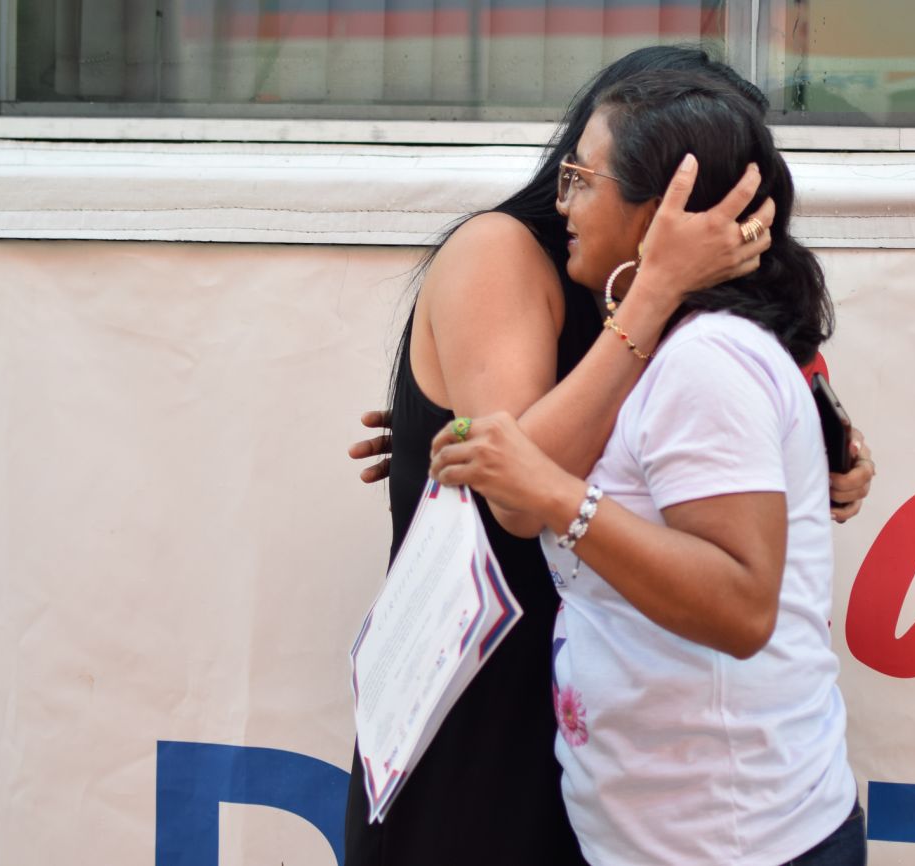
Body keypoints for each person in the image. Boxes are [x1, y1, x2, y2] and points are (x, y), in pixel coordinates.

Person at [345, 47, 876, 865]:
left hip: (609, 735)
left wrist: (826, 451)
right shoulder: (514, 253)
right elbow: (513, 487)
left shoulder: (682, 326)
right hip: (485, 694)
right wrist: (654, 290)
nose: (569, 197)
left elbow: (742, 414)